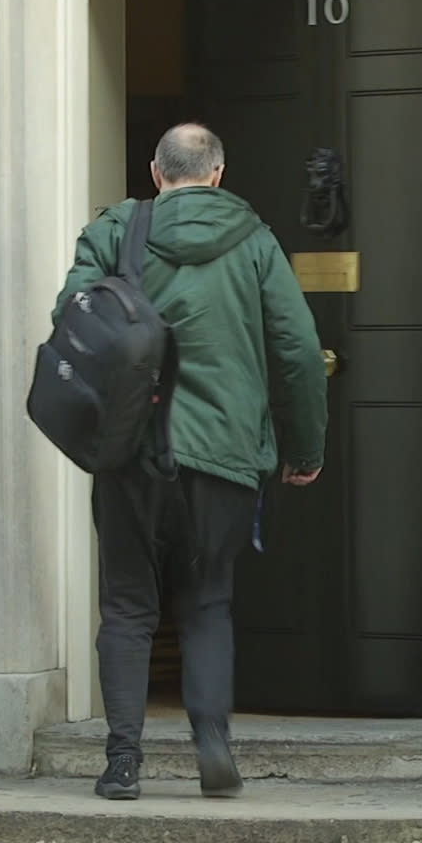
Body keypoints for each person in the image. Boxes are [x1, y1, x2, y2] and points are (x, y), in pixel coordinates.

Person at [52, 123, 327, 801]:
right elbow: (296, 349)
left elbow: (70, 316)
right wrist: (303, 448)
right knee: (207, 603)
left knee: (126, 604)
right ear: (218, 174)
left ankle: (122, 762)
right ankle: (211, 744)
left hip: (132, 451)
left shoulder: (116, 230)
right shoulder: (255, 241)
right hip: (226, 457)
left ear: (155, 172)